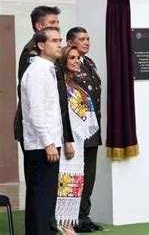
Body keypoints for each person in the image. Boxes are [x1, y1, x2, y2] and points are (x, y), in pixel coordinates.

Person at [14, 5, 74, 182]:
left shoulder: (50, 54)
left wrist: (65, 135)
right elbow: (36, 102)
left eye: (58, 23)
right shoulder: (34, 55)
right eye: (52, 23)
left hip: (50, 131)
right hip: (39, 134)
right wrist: (48, 141)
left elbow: (59, 98)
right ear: (40, 27)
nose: (57, 26)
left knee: (47, 192)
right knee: (40, 189)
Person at [21, 27, 63, 235]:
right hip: (42, 146)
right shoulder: (38, 72)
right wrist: (48, 143)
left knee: (45, 200)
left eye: (60, 40)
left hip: (47, 143)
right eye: (54, 41)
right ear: (40, 45)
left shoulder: (46, 69)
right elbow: (36, 112)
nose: (59, 44)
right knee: (41, 199)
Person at [55, 46, 100, 235]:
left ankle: (69, 224)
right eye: (72, 58)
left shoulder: (75, 84)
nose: (77, 61)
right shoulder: (60, 86)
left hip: (78, 144)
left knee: (76, 183)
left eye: (78, 58)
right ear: (64, 61)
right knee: (63, 183)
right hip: (65, 142)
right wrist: (67, 140)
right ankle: (63, 225)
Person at [66, 27, 103, 232]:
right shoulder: (66, 65)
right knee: (74, 176)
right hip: (75, 133)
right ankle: (70, 218)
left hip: (91, 131)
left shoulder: (89, 64)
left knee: (88, 176)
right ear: (71, 42)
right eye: (81, 39)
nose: (87, 42)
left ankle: (83, 217)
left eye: (88, 38)